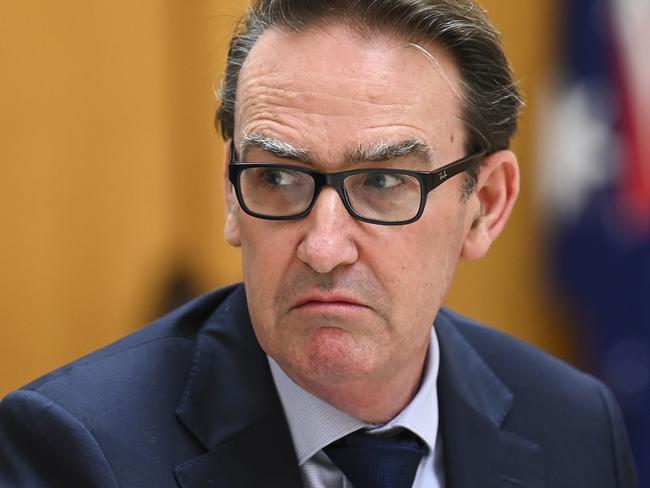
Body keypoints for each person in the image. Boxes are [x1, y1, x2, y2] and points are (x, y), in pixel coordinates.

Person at [0, 0, 638, 486]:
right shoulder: (75, 452)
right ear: (231, 195)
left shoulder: (575, 425)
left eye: (385, 181)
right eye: (277, 178)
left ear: (486, 205)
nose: (324, 247)